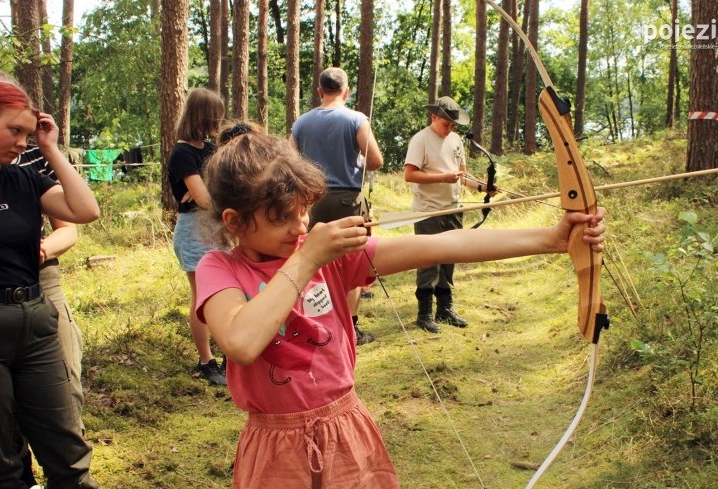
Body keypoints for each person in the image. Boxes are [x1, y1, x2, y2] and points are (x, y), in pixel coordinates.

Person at [194, 128, 606, 488]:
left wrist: (550, 239)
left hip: (345, 429)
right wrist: (306, 261)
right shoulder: (221, 268)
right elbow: (241, 342)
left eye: (304, 210)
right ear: (234, 221)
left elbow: (440, 244)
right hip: (275, 448)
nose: (301, 226)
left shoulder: (328, 256)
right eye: (283, 217)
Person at [0, 81, 99, 488]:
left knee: (66, 447)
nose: (21, 142)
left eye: (28, 134)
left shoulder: (25, 180)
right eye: (15, 131)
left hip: (36, 322)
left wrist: (49, 148)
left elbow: (85, 210)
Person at [291, 66, 384, 346]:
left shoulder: (301, 123)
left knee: (312, 259)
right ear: (346, 91)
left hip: (311, 201)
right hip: (347, 199)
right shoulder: (356, 119)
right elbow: (376, 160)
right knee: (352, 261)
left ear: (319, 91)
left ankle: (314, 322)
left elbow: (290, 163)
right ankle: (350, 328)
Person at [404, 96, 495, 333]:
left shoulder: (455, 140)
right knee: (428, 261)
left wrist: (484, 187)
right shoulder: (420, 139)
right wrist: (442, 177)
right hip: (428, 211)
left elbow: (462, 175)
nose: (450, 128)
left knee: (449, 259)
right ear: (434, 117)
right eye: (446, 124)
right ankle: (424, 314)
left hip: (454, 209)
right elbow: (410, 175)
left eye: (454, 125)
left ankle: (444, 309)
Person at [167, 87, 227, 386]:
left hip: (218, 228)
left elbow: (216, 187)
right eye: (215, 116)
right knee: (202, 297)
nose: (218, 122)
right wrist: (206, 190)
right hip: (194, 230)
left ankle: (230, 350)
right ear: (202, 116)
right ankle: (206, 360)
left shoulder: (208, 149)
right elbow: (204, 199)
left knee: (230, 291)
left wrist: (206, 188)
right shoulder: (182, 153)